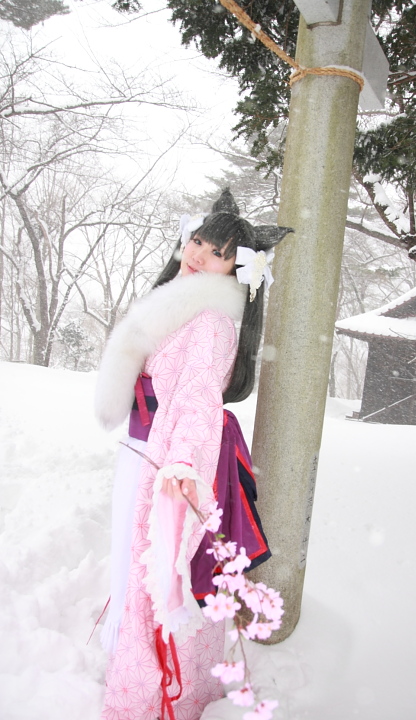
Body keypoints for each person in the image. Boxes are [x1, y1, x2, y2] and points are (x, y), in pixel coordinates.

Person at [94, 189, 293, 720]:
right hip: (143, 446)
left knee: (156, 565)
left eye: (219, 253)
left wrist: (181, 460)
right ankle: (137, 664)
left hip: (168, 451)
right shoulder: (180, 306)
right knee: (136, 561)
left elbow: (198, 399)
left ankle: (150, 691)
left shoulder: (210, 322)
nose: (200, 255)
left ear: (237, 269)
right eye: (199, 241)